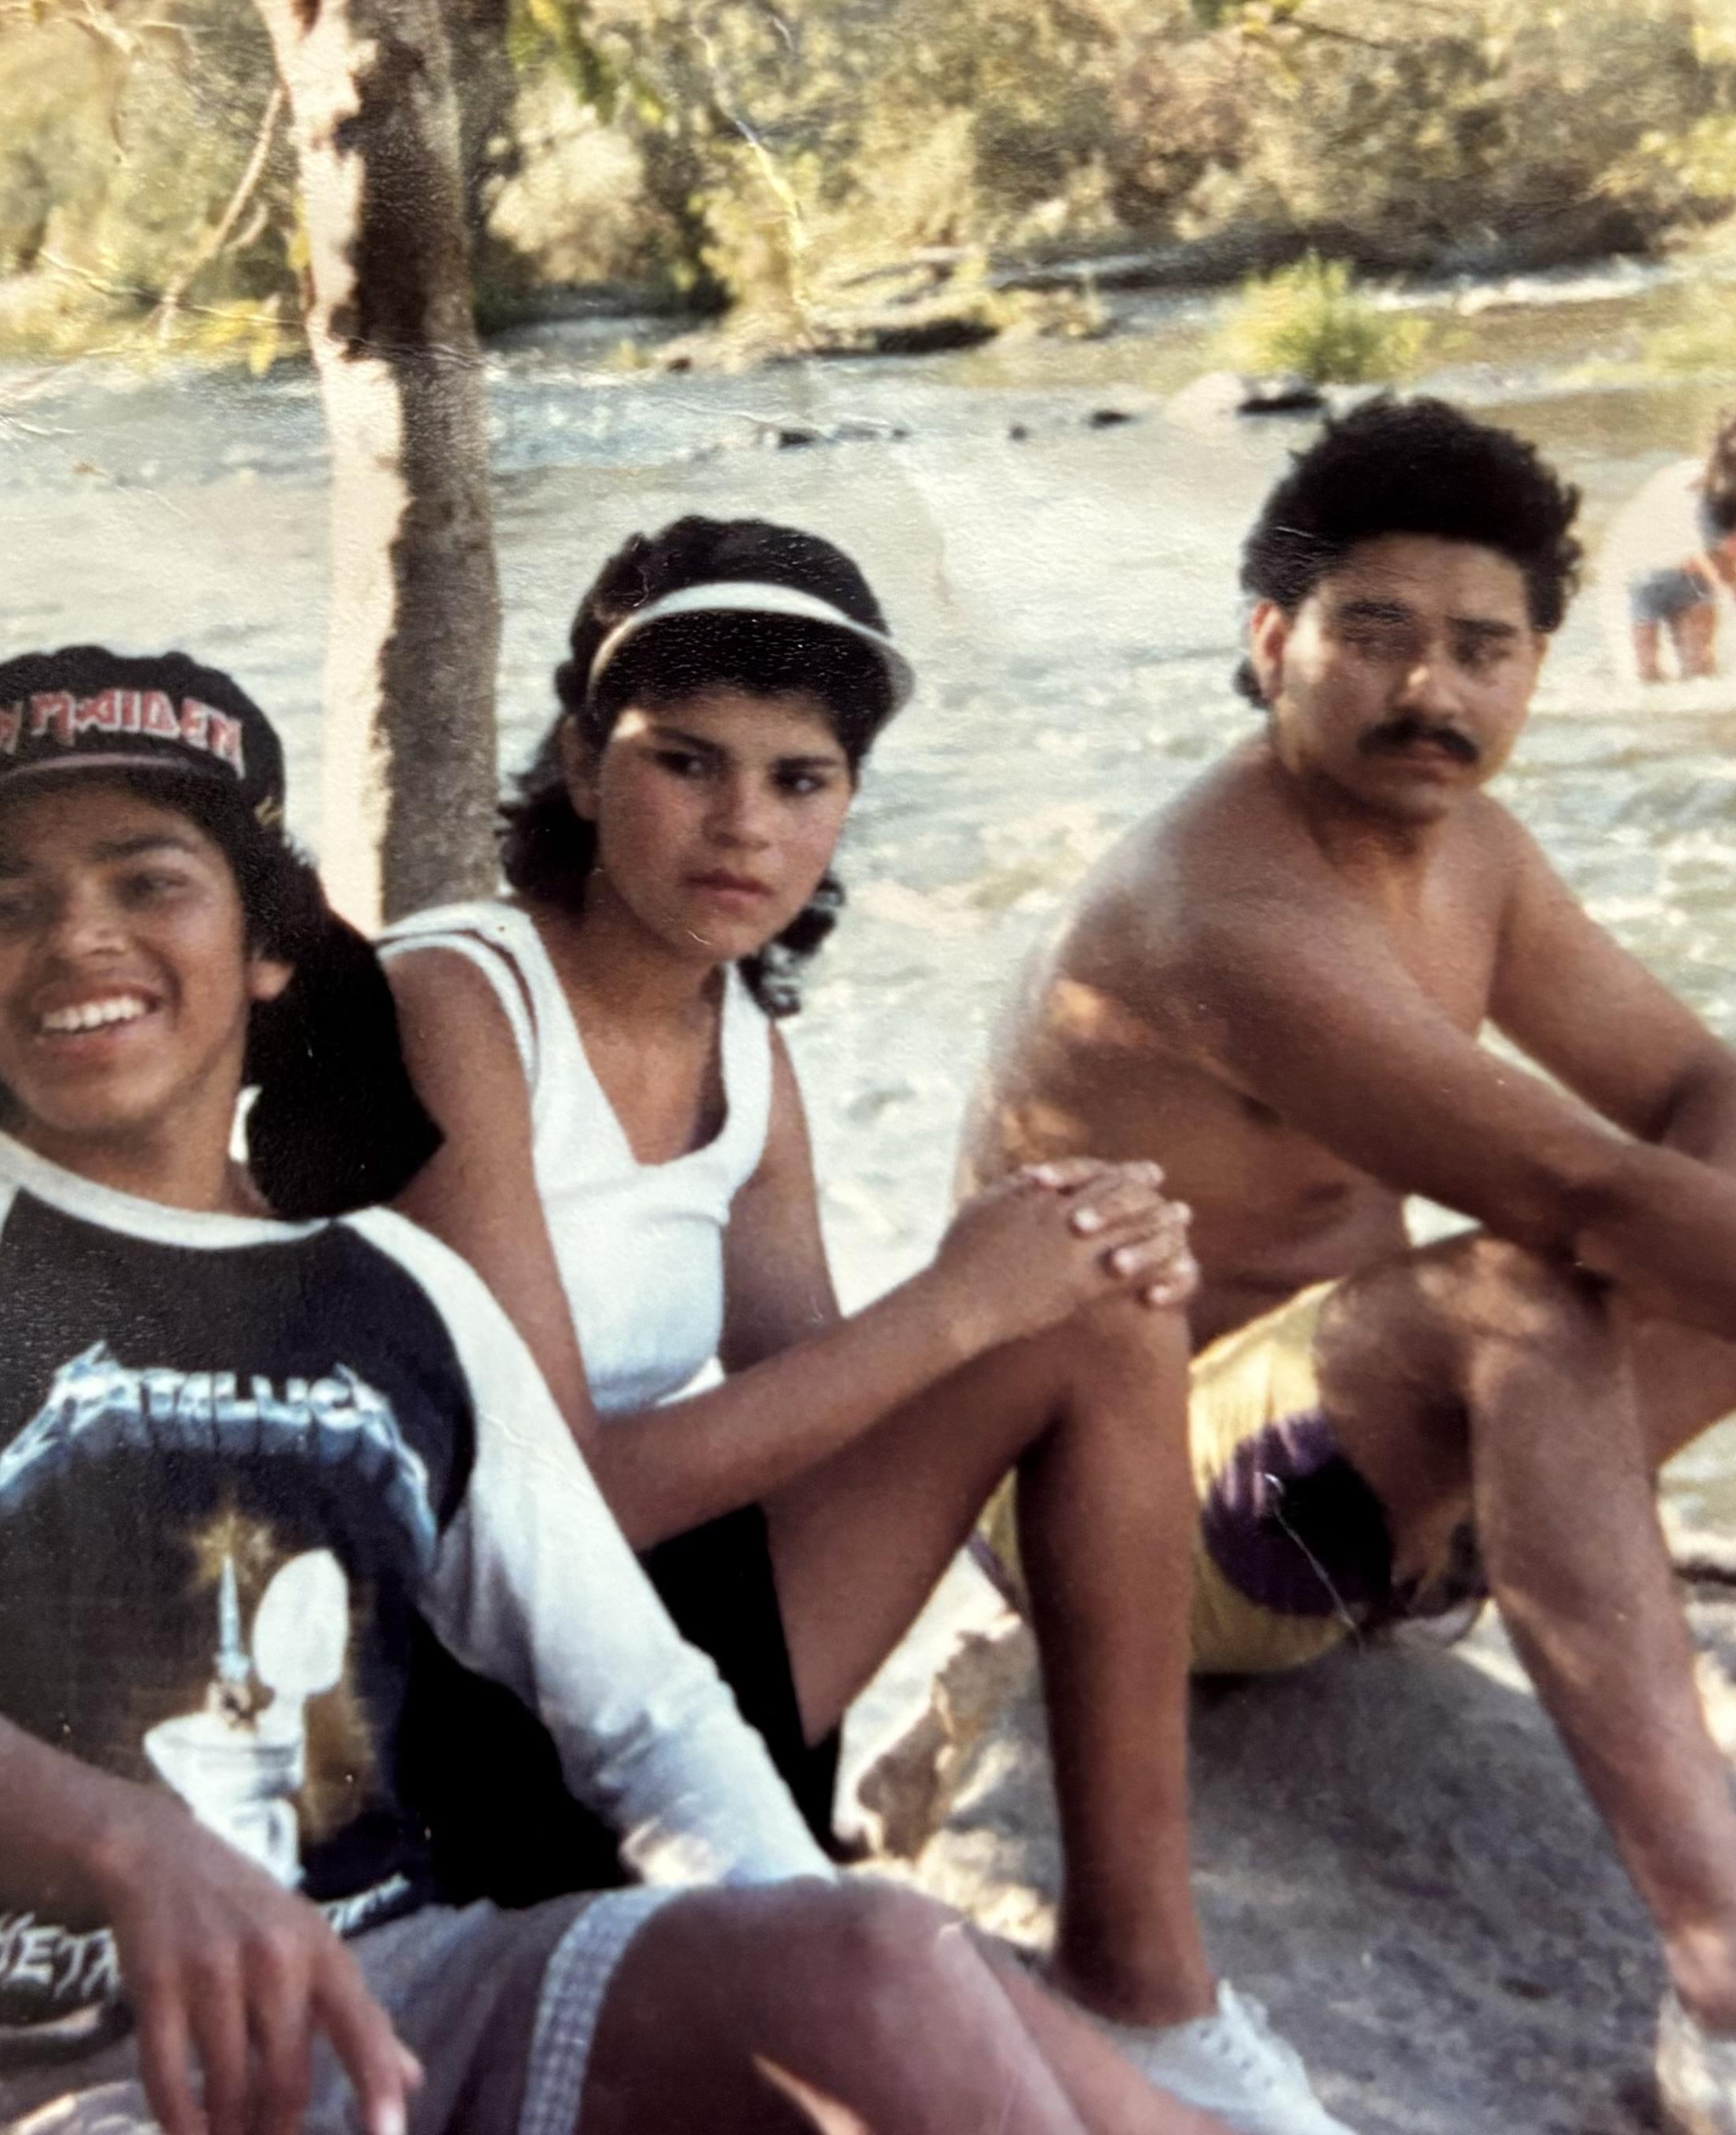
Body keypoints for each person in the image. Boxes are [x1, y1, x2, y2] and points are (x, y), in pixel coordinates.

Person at [0, 643, 1247, 2135]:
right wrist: (129, 1849)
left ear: (271, 945)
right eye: (9, 903)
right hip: (51, 2076)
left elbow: (642, 1713)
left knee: (878, 1958)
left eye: (148, 881)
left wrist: (809, 1975)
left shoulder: (395, 1289)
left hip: (415, 1999)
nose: (77, 937)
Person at [962, 397, 1736, 2135]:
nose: (1433, 690)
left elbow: (1711, 1095)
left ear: (1535, 668)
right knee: (1529, 1291)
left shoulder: (1472, 856)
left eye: (1483, 649)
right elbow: (1583, 1195)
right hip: (1137, 1527)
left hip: (1360, 1484)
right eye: (1375, 635)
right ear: (1270, 642)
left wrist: (1672, 1281)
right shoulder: (1218, 911)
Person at [377, 518, 1349, 2135]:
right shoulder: (454, 1004)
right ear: (581, 763)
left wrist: (1049, 1279)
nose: (743, 825)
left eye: (799, 780)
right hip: (446, 1719)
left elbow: (816, 1412)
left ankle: (1146, 1979)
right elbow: (556, 1509)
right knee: (1017, 1293)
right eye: (686, 762)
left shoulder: (737, 1042)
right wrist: (958, 1304)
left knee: (1097, 1283)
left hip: (641, 1660)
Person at [1603, 395, 1736, 684]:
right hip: (1644, 578)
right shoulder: (1708, 496)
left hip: (1694, 583)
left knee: (1700, 675)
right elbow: (1726, 578)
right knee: (1646, 676)